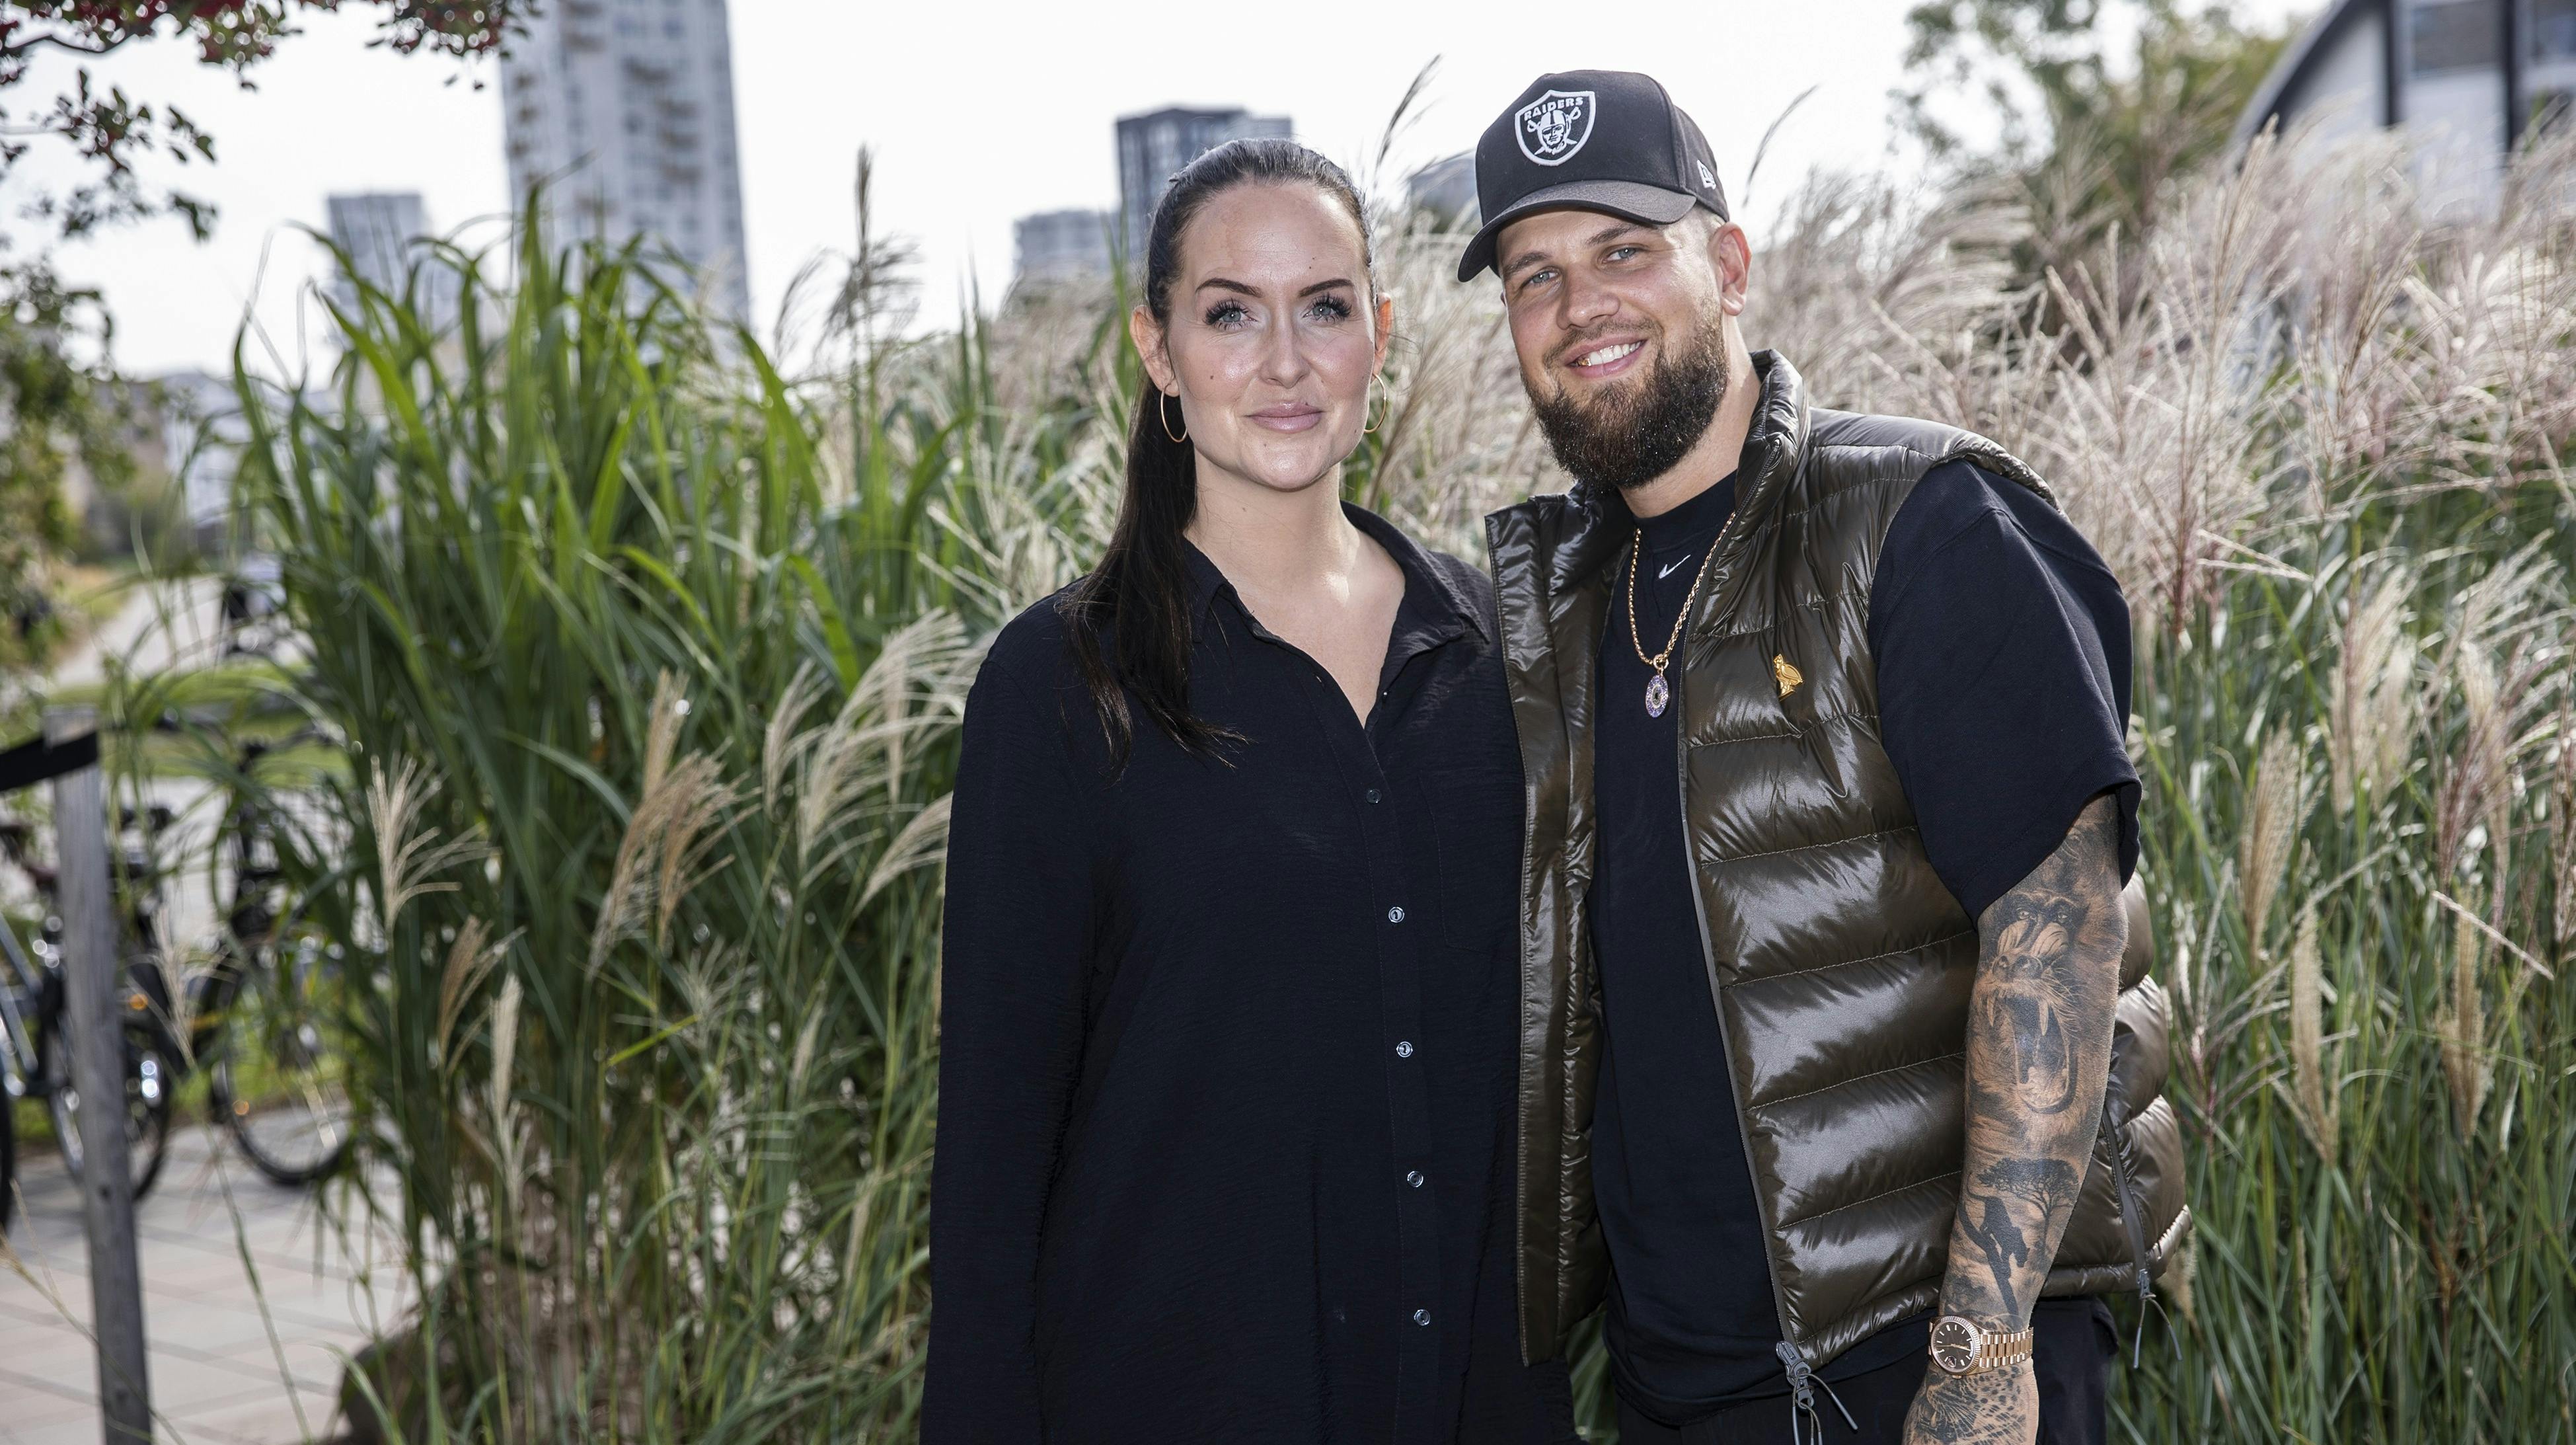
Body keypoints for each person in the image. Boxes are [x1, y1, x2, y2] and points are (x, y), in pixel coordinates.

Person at [1457, 73, 2189, 1444]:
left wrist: (1977, 1361)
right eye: (1530, 276)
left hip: (1911, 1358)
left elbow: (2059, 930)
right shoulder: (1549, 610)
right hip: (1676, 1382)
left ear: (1725, 263)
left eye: (1624, 249)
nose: (1578, 308)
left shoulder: (1920, 522)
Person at [922, 137, 1576, 1445]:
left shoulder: (1504, 651)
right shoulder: (1060, 683)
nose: (1283, 361)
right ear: (1156, 350)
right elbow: (990, 1170)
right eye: (1230, 313)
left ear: (1378, 334)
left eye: (1323, 307)